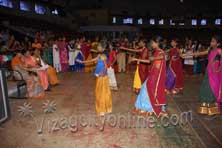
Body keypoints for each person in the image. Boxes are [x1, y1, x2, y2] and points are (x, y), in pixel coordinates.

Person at [182, 36, 222, 115]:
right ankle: (205, 105)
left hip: (215, 73)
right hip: (208, 71)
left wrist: (219, 68)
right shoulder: (209, 50)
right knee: (204, 87)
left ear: (218, 43)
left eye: (213, 41)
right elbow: (199, 53)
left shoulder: (219, 50)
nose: (211, 43)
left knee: (212, 88)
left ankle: (212, 107)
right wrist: (186, 55)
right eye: (211, 41)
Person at [131, 36, 167, 117]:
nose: (151, 44)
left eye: (153, 42)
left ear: (157, 43)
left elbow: (163, 57)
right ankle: (144, 107)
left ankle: (149, 108)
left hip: (156, 77)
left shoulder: (161, 52)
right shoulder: (156, 51)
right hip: (152, 75)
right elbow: (149, 61)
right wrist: (137, 60)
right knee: (145, 89)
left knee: (147, 90)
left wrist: (154, 58)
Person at [76, 43, 112, 116]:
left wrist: (102, 73)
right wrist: (82, 62)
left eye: (99, 46)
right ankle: (106, 108)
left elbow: (105, 66)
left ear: (103, 48)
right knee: (100, 92)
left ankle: (103, 109)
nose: (98, 47)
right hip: (100, 76)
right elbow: (92, 60)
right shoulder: (99, 55)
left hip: (103, 77)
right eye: (98, 46)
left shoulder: (103, 56)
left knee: (102, 93)